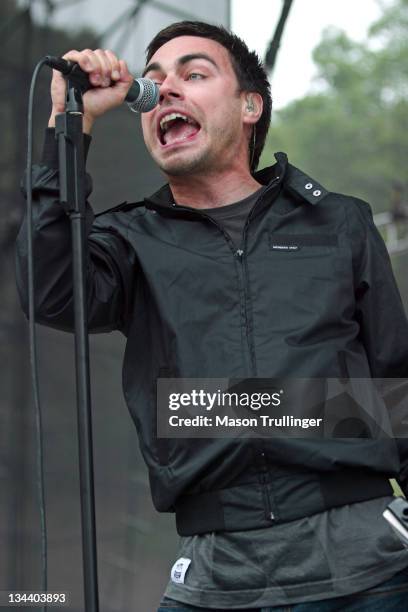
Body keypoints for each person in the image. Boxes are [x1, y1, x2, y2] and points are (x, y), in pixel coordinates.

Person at [16, 20, 408, 612]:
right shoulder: (129, 239)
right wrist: (70, 124)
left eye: (193, 74)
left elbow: (396, 385)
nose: (165, 89)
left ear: (250, 105)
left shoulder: (339, 223)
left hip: (370, 565)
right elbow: (49, 289)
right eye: (153, 82)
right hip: (217, 575)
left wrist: (213, 405)